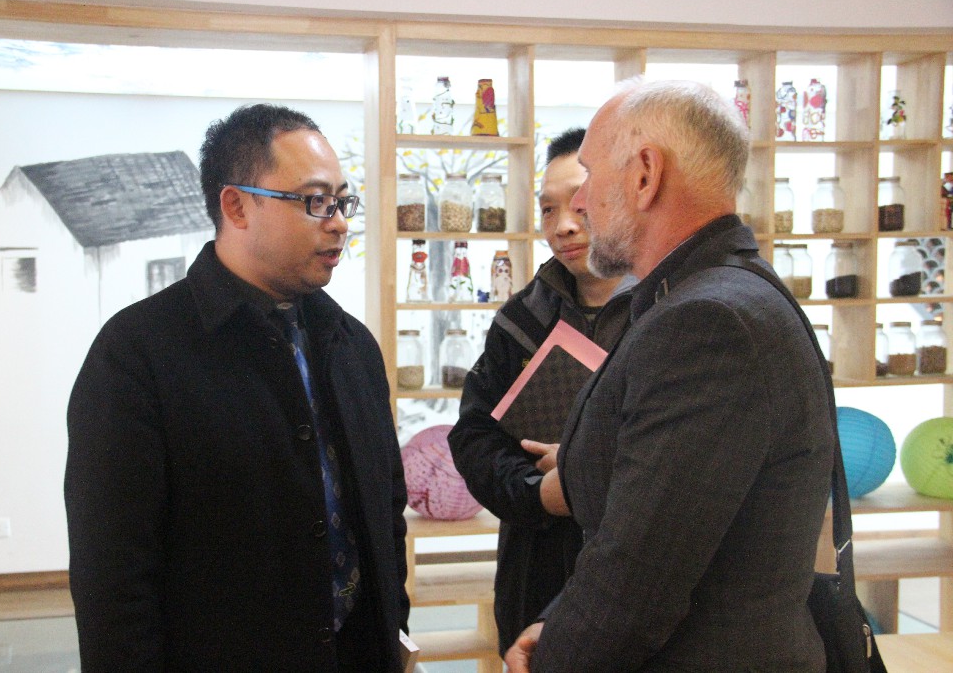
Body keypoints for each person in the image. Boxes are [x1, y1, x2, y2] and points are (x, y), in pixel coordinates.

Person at [65, 104, 410, 672]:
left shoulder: (351, 345)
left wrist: (393, 630)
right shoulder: (136, 354)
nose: (338, 223)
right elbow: (113, 577)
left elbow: (384, 511)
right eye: (314, 201)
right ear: (236, 205)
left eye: (342, 202)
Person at [506, 79, 834, 672]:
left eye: (590, 177)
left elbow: (639, 577)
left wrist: (555, 658)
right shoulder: (716, 292)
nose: (581, 205)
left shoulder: (707, 322)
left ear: (645, 175)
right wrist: (559, 622)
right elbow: (667, 528)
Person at [448, 127, 634, 656]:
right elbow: (474, 438)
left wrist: (584, 469)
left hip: (640, 590)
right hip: (535, 577)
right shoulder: (521, 319)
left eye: (580, 203)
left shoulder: (671, 314)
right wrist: (538, 493)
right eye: (548, 210)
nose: (563, 226)